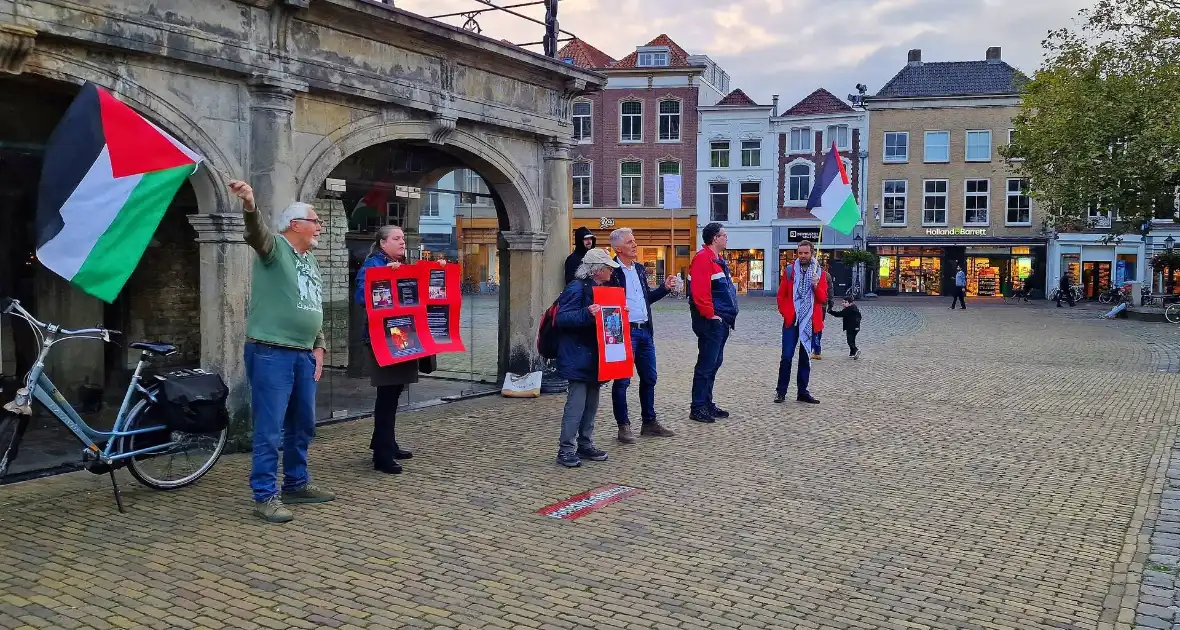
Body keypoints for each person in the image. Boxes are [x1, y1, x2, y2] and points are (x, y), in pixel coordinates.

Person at [230, 180, 336, 524]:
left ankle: (296, 482)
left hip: (303, 354)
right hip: (271, 352)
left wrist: (319, 345)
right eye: (315, 220)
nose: (320, 226)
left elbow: (312, 305)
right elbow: (256, 234)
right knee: (270, 428)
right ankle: (264, 495)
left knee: (302, 424)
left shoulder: (311, 261)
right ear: (296, 225)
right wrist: (249, 204)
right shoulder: (275, 248)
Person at [354, 225, 437, 475]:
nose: (402, 242)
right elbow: (362, 296)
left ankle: (386, 443)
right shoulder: (373, 265)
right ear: (382, 243)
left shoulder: (400, 264)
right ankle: (382, 455)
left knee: (394, 392)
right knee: (387, 395)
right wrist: (386, 277)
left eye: (403, 238)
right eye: (396, 238)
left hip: (402, 336)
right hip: (383, 340)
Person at [608, 228, 677, 443]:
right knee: (622, 381)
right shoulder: (611, 272)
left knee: (650, 377)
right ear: (618, 249)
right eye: (630, 242)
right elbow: (607, 303)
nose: (635, 245)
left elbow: (646, 298)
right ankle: (623, 426)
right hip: (625, 331)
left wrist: (664, 289)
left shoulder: (638, 268)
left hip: (645, 330)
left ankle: (649, 422)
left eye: (634, 241)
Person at [554, 248, 619, 468]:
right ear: (597, 270)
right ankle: (566, 449)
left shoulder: (601, 288)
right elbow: (562, 318)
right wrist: (586, 313)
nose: (611, 270)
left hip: (593, 355)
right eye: (608, 267)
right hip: (577, 355)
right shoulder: (576, 287)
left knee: (591, 404)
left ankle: (584, 443)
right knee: (576, 404)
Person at [687, 222, 739, 423]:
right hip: (711, 322)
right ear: (715, 238)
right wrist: (710, 315)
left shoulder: (716, 259)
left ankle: (706, 403)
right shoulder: (703, 259)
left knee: (714, 363)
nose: (727, 238)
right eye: (724, 235)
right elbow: (700, 293)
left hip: (721, 321)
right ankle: (698, 406)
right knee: (706, 364)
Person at [774, 240, 828, 404]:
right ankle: (781, 392)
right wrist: (787, 313)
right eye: (800, 253)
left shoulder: (820, 273)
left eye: (806, 253)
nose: (803, 256)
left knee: (805, 358)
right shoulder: (790, 271)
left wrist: (815, 285)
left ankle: (802, 392)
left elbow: (823, 298)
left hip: (810, 321)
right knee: (787, 357)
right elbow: (781, 296)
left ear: (812, 253)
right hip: (792, 321)